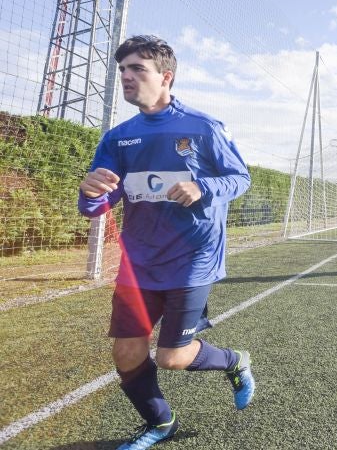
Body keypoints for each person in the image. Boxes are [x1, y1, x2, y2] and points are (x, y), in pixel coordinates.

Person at [78, 35, 256, 449]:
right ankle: (161, 423)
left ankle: (234, 361)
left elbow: (240, 178)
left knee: (172, 357)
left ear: (166, 77)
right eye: (122, 68)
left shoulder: (202, 127)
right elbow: (97, 205)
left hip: (193, 258)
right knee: (126, 353)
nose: (126, 76)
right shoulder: (118, 138)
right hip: (138, 263)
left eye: (137, 68)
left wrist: (202, 187)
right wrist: (90, 194)